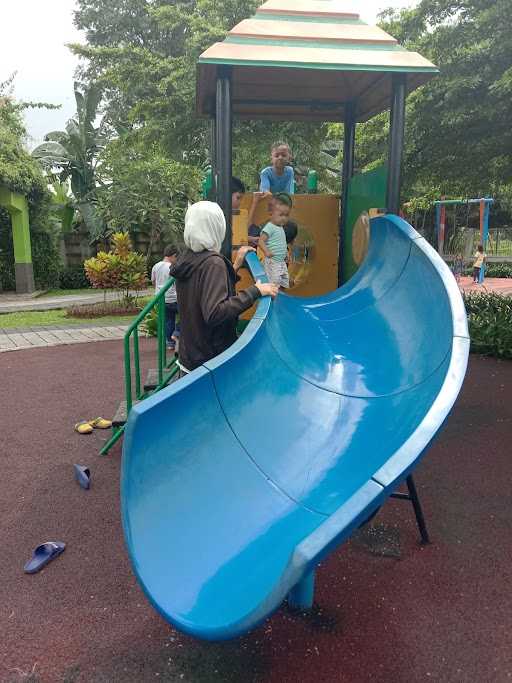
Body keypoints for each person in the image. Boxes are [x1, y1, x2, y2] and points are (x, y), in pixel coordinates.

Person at [170, 201, 278, 372]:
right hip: (209, 361)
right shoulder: (213, 263)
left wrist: (235, 265)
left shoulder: (188, 258)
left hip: (191, 356)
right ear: (216, 227)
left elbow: (204, 290)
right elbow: (215, 312)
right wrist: (255, 291)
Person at [258, 193, 293, 289]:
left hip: (281, 262)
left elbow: (282, 243)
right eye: (281, 215)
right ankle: (273, 300)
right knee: (273, 284)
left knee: (284, 283)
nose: (284, 218)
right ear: (271, 213)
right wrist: (266, 251)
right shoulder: (270, 227)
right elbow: (261, 241)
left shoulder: (280, 227)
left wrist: (286, 253)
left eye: (287, 215)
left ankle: (280, 299)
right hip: (272, 263)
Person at [151, 244, 179, 350]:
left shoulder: (156, 266)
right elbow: (177, 284)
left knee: (168, 320)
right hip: (173, 298)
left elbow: (153, 281)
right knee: (186, 315)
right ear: (173, 255)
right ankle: (177, 333)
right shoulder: (172, 267)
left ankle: (170, 343)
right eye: (176, 258)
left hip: (160, 298)